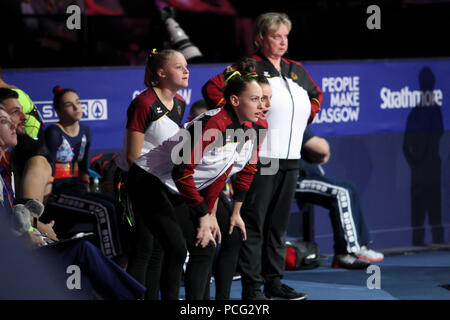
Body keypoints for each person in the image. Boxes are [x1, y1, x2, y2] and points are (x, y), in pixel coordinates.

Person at [202, 12, 321, 300]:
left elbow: (315, 96)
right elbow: (213, 89)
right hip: (263, 156)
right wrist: (240, 120)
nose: (282, 42)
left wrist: (305, 116)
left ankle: (274, 283)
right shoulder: (250, 66)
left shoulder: (296, 70)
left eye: (285, 36)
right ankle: (252, 288)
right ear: (260, 38)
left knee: (278, 227)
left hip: (291, 157)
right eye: (275, 36)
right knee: (254, 224)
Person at [128, 62, 263, 300]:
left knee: (205, 245)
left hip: (175, 187)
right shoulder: (213, 123)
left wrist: (209, 212)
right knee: (176, 249)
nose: (262, 105)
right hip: (148, 181)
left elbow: (219, 175)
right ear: (234, 101)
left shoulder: (246, 129)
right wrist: (202, 214)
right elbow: (182, 171)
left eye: (262, 99)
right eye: (255, 99)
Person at [0, 103, 145, 300]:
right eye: (4, 120)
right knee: (83, 248)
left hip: (29, 238)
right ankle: (129, 290)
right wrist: (26, 234)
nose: (19, 122)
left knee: (109, 211)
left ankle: (123, 281)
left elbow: (13, 213)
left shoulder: (6, 169)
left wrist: (33, 227)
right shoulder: (44, 149)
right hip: (14, 254)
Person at [114, 49, 189, 299]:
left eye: (186, 66)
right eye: (179, 67)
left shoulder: (179, 104)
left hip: (161, 183)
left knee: (159, 248)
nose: (186, 71)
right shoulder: (143, 103)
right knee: (143, 248)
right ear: (161, 72)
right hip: (135, 182)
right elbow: (133, 155)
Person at [42, 86, 123, 260]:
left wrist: (87, 193)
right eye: (69, 105)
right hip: (57, 192)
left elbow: (84, 167)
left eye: (78, 103)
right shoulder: (54, 133)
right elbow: (47, 166)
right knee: (102, 209)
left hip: (76, 189)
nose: (77, 107)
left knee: (115, 204)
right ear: (58, 111)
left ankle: (124, 257)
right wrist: (46, 199)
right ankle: (111, 261)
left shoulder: (85, 131)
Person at [296, 127, 384, 269]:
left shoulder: (300, 117)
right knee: (342, 192)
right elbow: (322, 149)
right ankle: (345, 252)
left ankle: (360, 245)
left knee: (349, 188)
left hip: (308, 174)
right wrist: (320, 148)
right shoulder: (290, 114)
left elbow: (323, 156)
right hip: (294, 180)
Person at [0, 88, 57, 240]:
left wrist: (38, 229)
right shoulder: (30, 161)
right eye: (15, 112)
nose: (25, 117)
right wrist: (40, 229)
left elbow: (20, 215)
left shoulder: (9, 158)